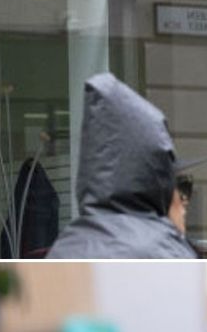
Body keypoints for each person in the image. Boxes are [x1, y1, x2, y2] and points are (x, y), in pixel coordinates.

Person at [47, 73, 197, 259]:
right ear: (154, 177)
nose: (184, 204)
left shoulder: (65, 247)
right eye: (177, 185)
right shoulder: (161, 250)